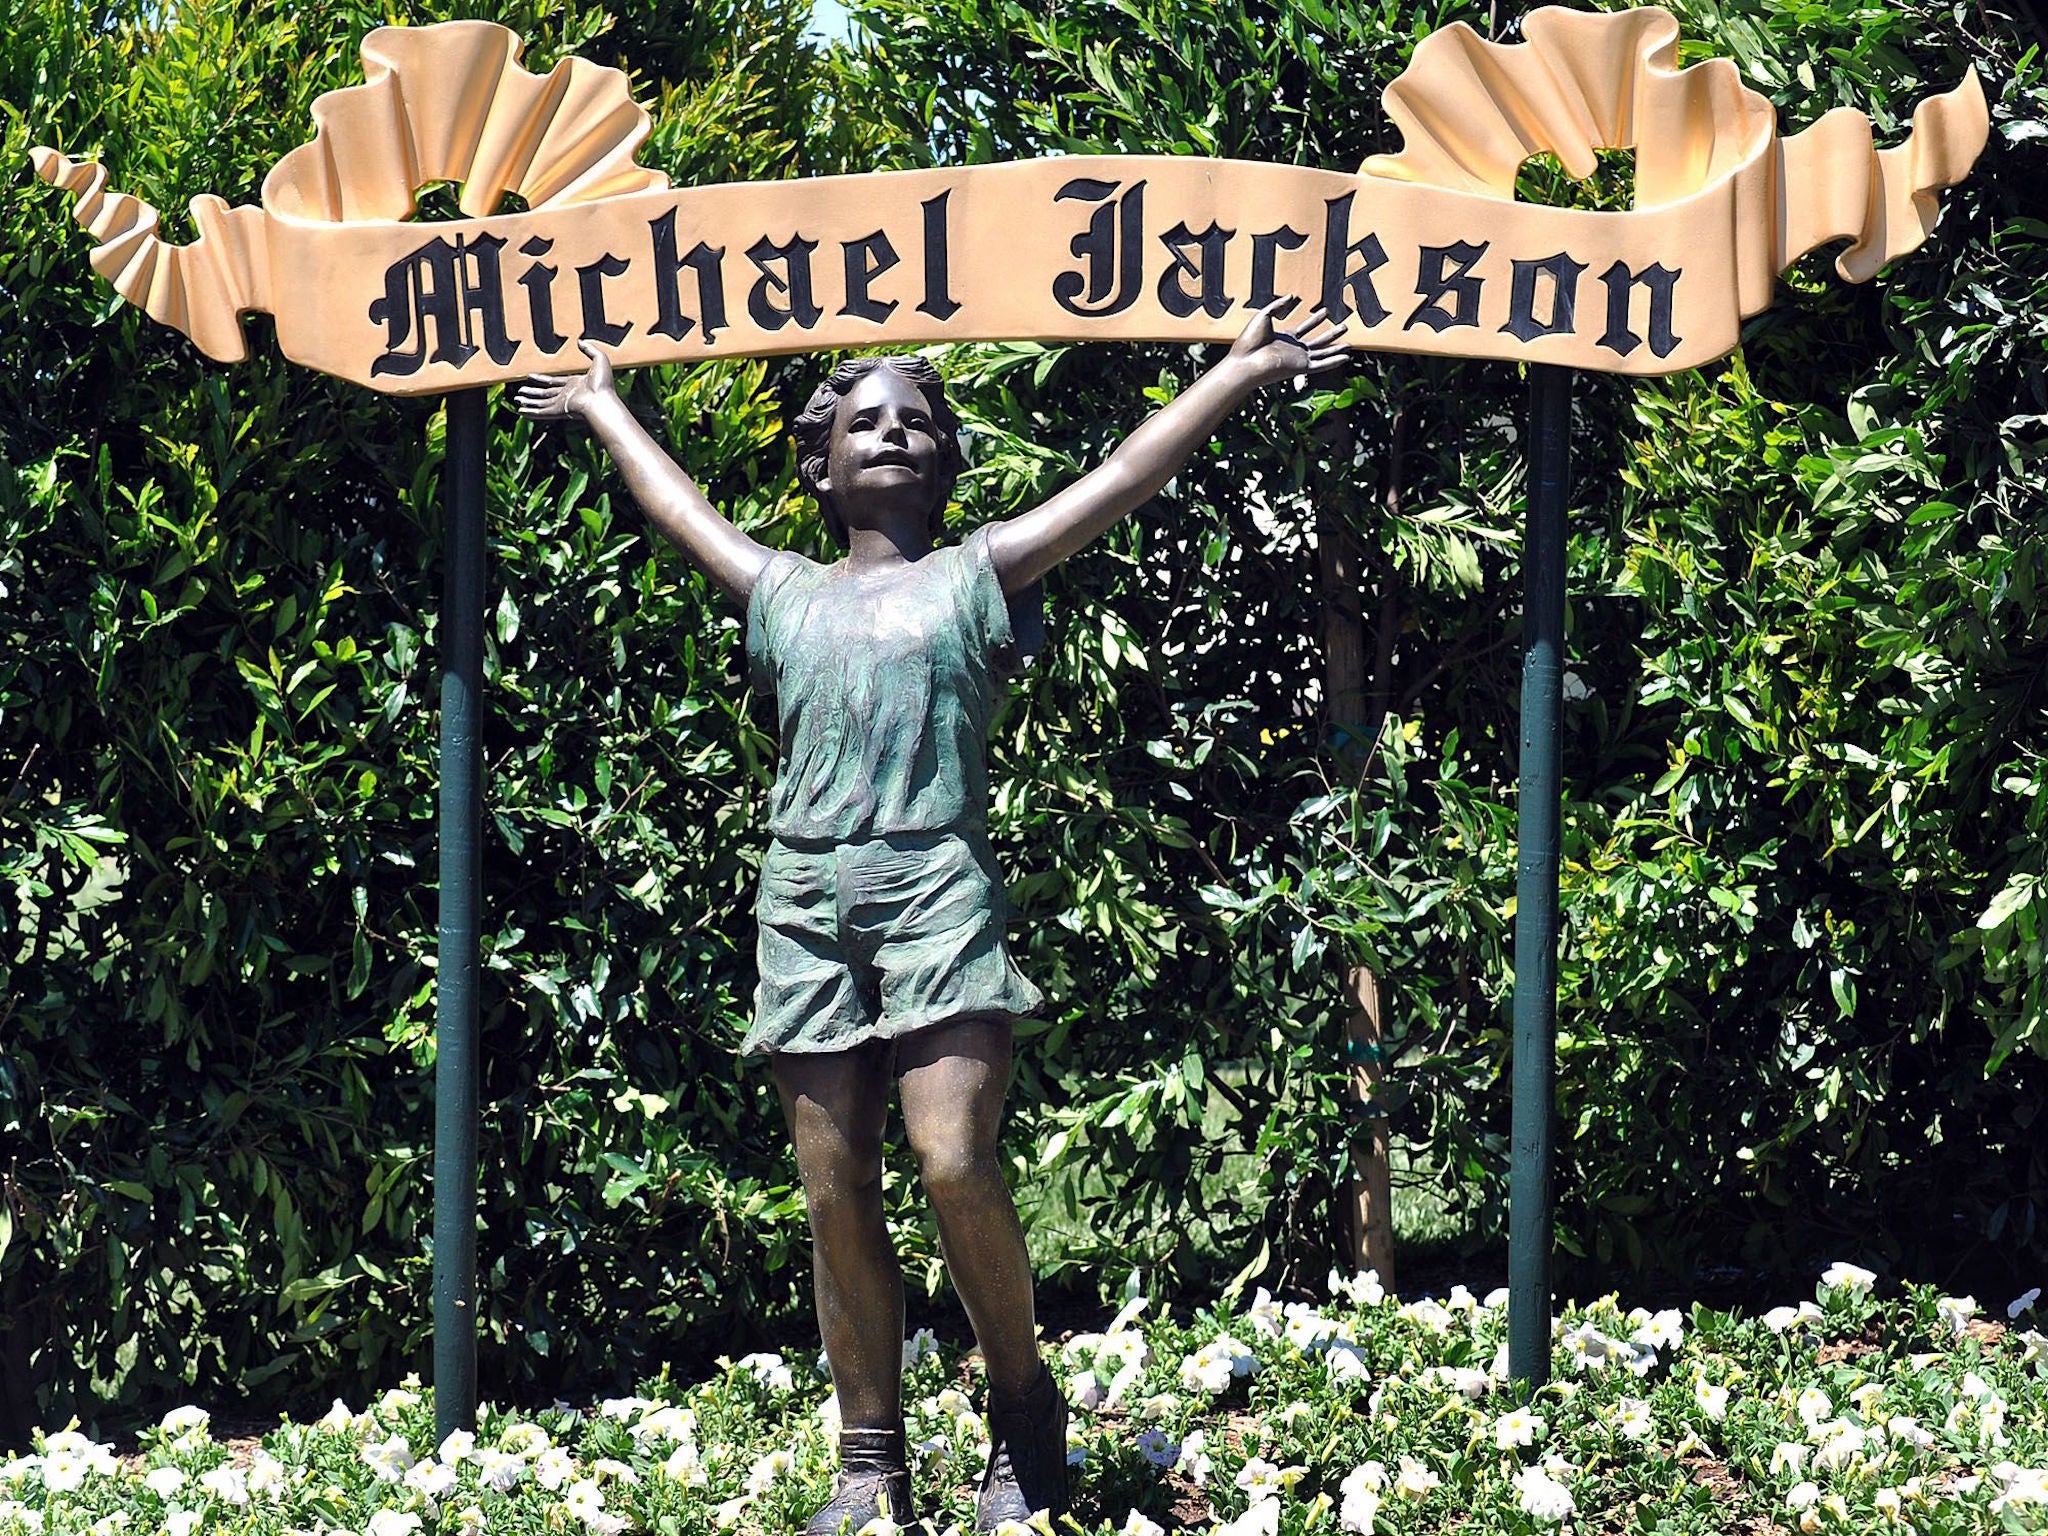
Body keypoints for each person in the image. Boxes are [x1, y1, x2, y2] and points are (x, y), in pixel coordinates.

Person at [515, 302, 1347, 1532]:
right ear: (820, 465)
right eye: (863, 422)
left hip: (933, 891)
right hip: (802, 899)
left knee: (953, 1159)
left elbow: (1119, 476)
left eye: (916, 422)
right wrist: (597, 402)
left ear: (945, 463)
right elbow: (680, 510)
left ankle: (1023, 1411)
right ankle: (869, 1458)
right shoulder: (783, 591)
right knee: (833, 1185)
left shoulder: (977, 575)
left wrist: (1235, 373)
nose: (892, 434)